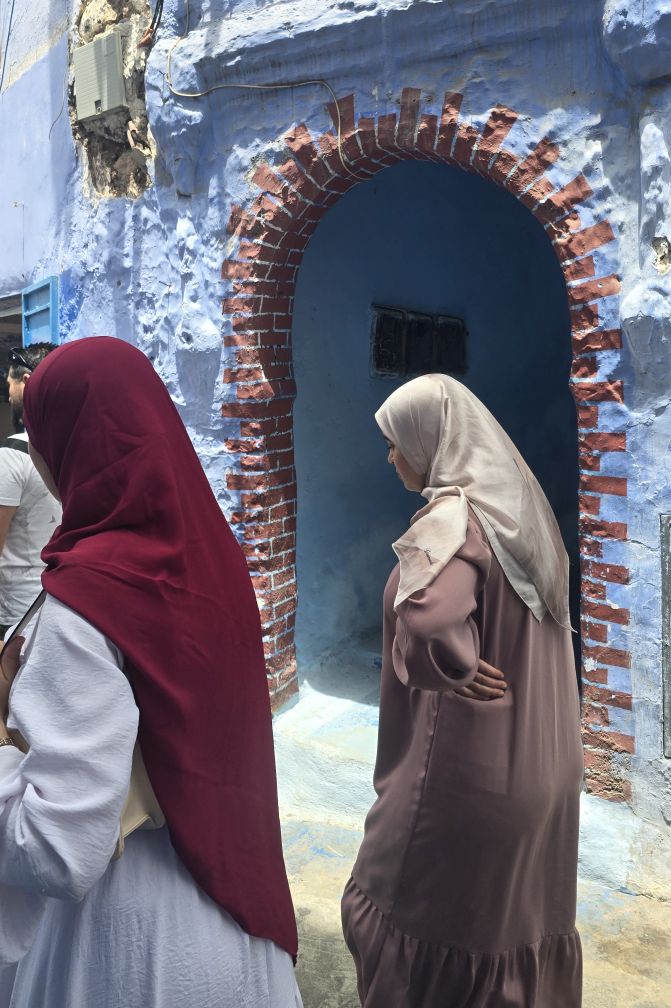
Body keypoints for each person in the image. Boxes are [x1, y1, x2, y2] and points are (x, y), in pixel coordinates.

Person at [0, 337, 302, 1008]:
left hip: (128, 945)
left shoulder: (87, 599)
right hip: (233, 907)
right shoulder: (212, 560)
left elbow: (58, 848)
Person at [341, 374, 583, 1008]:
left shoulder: (455, 518)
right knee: (512, 930)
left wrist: (446, 665)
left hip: (467, 774)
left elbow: (428, 621)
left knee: (404, 916)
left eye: (396, 442)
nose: (390, 457)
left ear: (434, 440)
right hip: (544, 768)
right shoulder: (522, 516)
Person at [0, 345, 60, 638]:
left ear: (25, 382)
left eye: (9, 385)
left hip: (16, 614)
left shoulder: (10, 455)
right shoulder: (75, 447)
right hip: (64, 603)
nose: (9, 394)